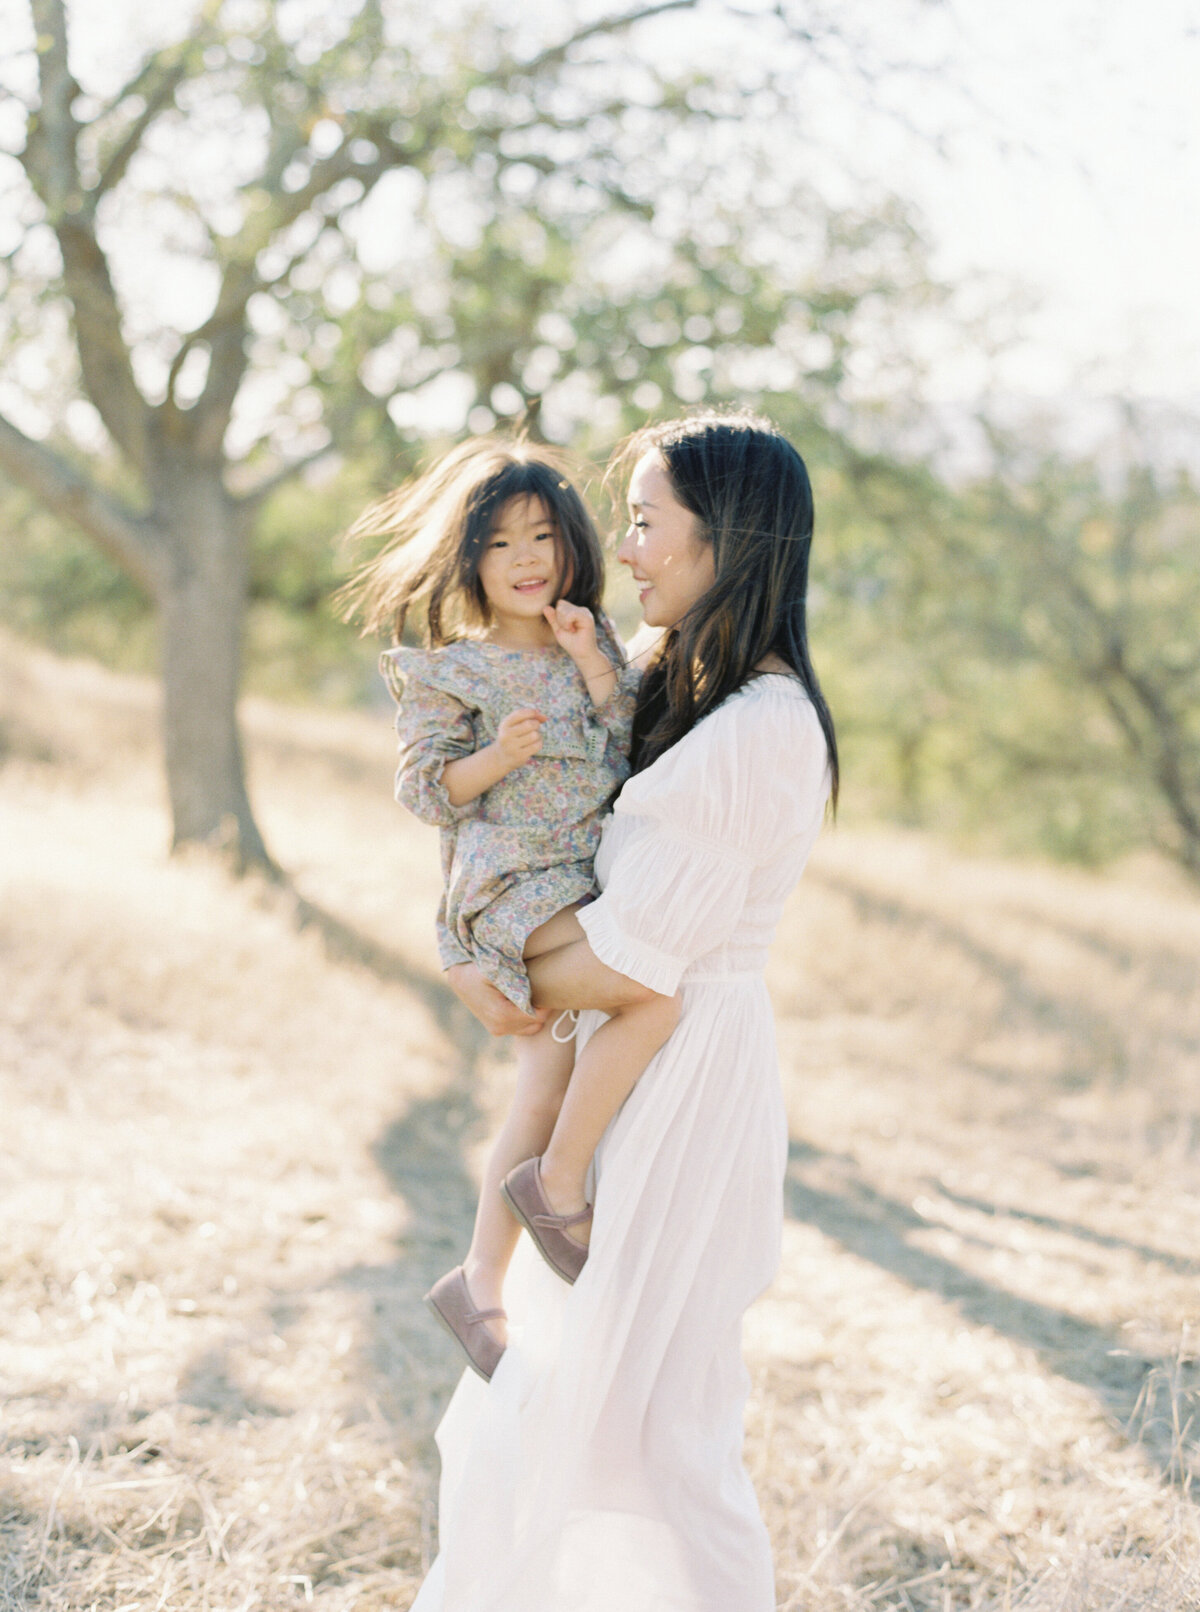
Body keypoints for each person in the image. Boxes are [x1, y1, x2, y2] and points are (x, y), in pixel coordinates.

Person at [411, 410, 839, 1612]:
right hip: (640, 1058)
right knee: (572, 1409)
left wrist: (477, 966)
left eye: (649, 522)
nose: (628, 548)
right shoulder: (688, 694)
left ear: (728, 542)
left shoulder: (755, 731)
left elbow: (630, 955)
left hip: (679, 1080)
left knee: (661, 1428)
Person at [338, 438, 680, 1384]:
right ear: (467, 561)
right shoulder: (457, 670)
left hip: (581, 882)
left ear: (572, 544)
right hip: (512, 890)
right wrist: (498, 760)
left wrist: (592, 663)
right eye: (499, 544)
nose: (527, 558)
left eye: (542, 535)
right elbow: (423, 790)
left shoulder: (593, 646)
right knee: (649, 994)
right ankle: (556, 1193)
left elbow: (631, 747)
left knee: (543, 1088)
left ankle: (479, 1281)